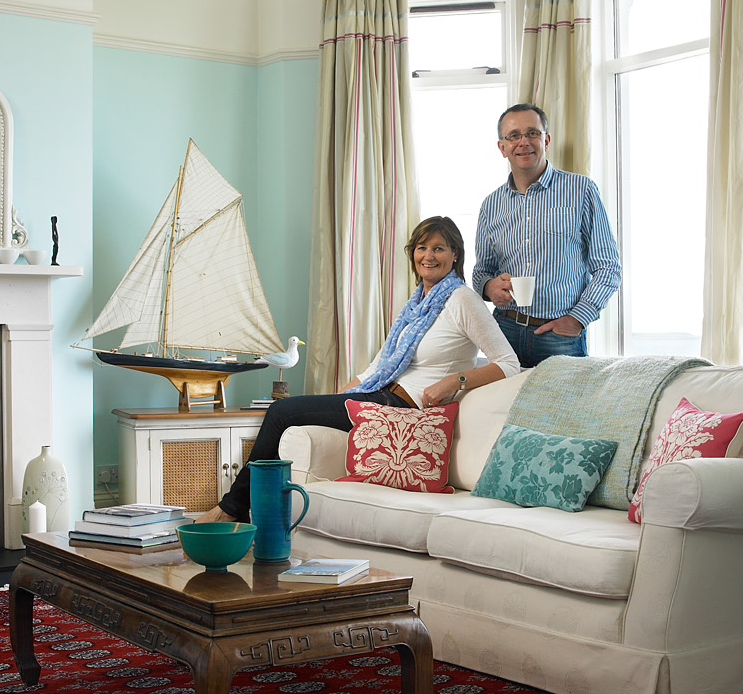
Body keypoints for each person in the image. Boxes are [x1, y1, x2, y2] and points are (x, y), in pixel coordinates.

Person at [198, 215, 520, 523]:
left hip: (403, 407)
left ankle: (232, 507)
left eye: (438, 248)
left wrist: (455, 381)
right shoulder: (417, 305)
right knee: (289, 411)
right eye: (422, 248)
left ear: (455, 255)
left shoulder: (462, 299)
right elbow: (378, 367)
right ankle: (248, 511)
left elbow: (508, 364)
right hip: (378, 395)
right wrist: (335, 398)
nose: (428, 256)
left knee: (282, 412)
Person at [471, 103, 621, 368]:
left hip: (559, 336)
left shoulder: (580, 190)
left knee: (567, 409)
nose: (523, 142)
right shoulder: (491, 205)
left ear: (546, 140)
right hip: (503, 332)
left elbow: (608, 267)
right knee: (502, 409)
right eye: (513, 136)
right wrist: (489, 287)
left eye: (532, 133)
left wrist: (577, 319)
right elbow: (481, 271)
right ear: (502, 147)